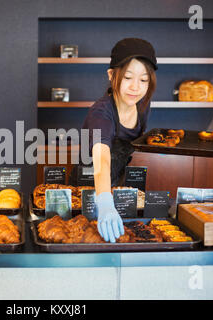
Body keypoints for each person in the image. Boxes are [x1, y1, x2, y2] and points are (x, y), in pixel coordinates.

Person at [82, 38, 157, 243]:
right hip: (91, 190)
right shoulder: (100, 112)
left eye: (143, 80)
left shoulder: (142, 106)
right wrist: (104, 201)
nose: (136, 87)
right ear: (111, 75)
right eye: (127, 77)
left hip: (118, 186)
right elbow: (101, 160)